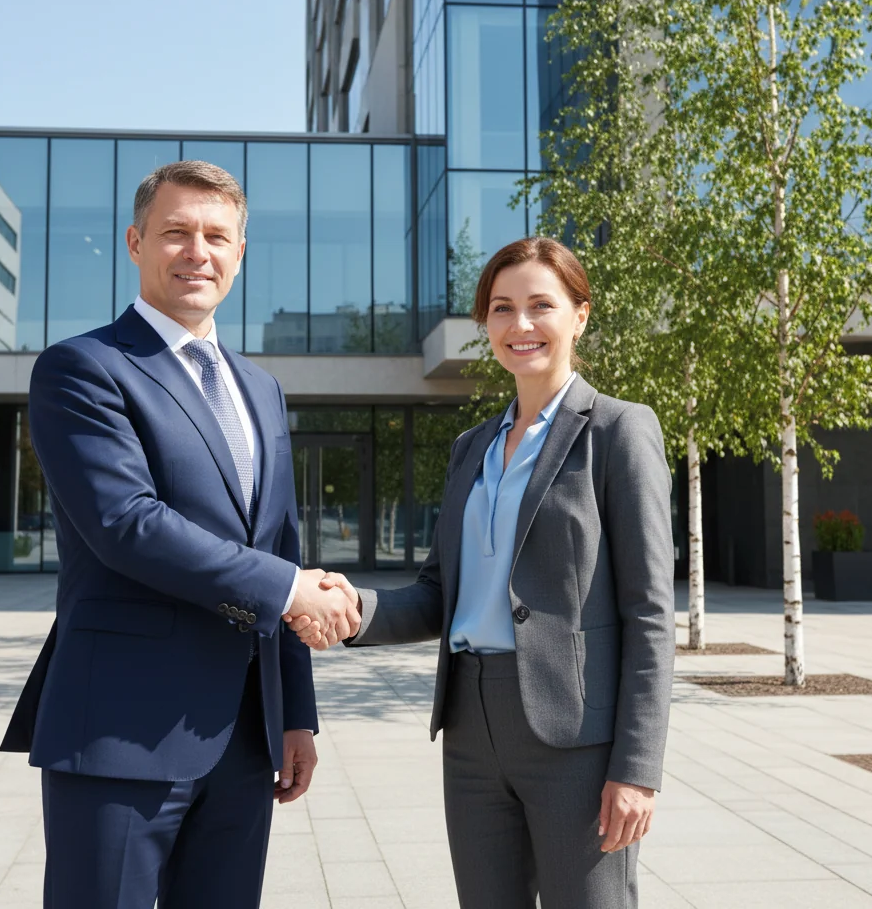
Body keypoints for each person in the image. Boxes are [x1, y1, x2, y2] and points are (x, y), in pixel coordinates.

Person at [0, 160, 360, 909]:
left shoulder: (259, 387)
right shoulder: (82, 369)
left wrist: (294, 715)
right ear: (135, 243)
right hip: (122, 733)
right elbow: (125, 523)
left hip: (243, 739)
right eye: (176, 232)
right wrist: (290, 589)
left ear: (240, 253)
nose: (198, 251)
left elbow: (279, 545)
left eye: (217, 236)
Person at [287, 237, 675, 909]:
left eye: (540, 306)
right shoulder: (474, 448)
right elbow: (442, 593)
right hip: (470, 728)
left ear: (579, 315)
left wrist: (637, 770)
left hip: (575, 737)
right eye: (502, 308)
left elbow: (649, 614)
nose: (519, 325)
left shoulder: (618, 431)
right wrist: (352, 609)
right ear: (484, 324)